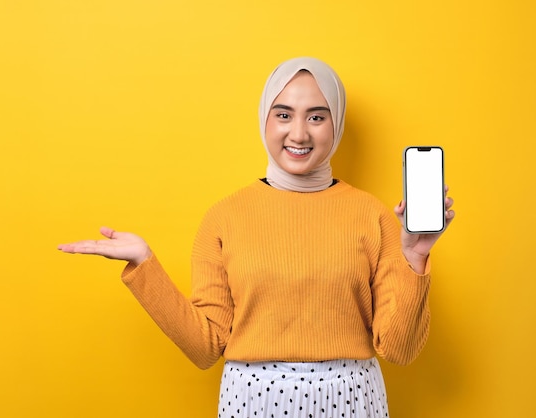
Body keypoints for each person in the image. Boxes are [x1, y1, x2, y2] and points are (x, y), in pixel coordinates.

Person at [58, 57, 455, 418]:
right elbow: (205, 347)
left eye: (317, 117)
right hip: (253, 400)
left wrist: (414, 258)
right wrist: (144, 265)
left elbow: (399, 351)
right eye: (284, 114)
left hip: (352, 399)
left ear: (337, 124)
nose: (298, 133)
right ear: (265, 118)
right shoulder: (224, 217)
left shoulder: (374, 216)